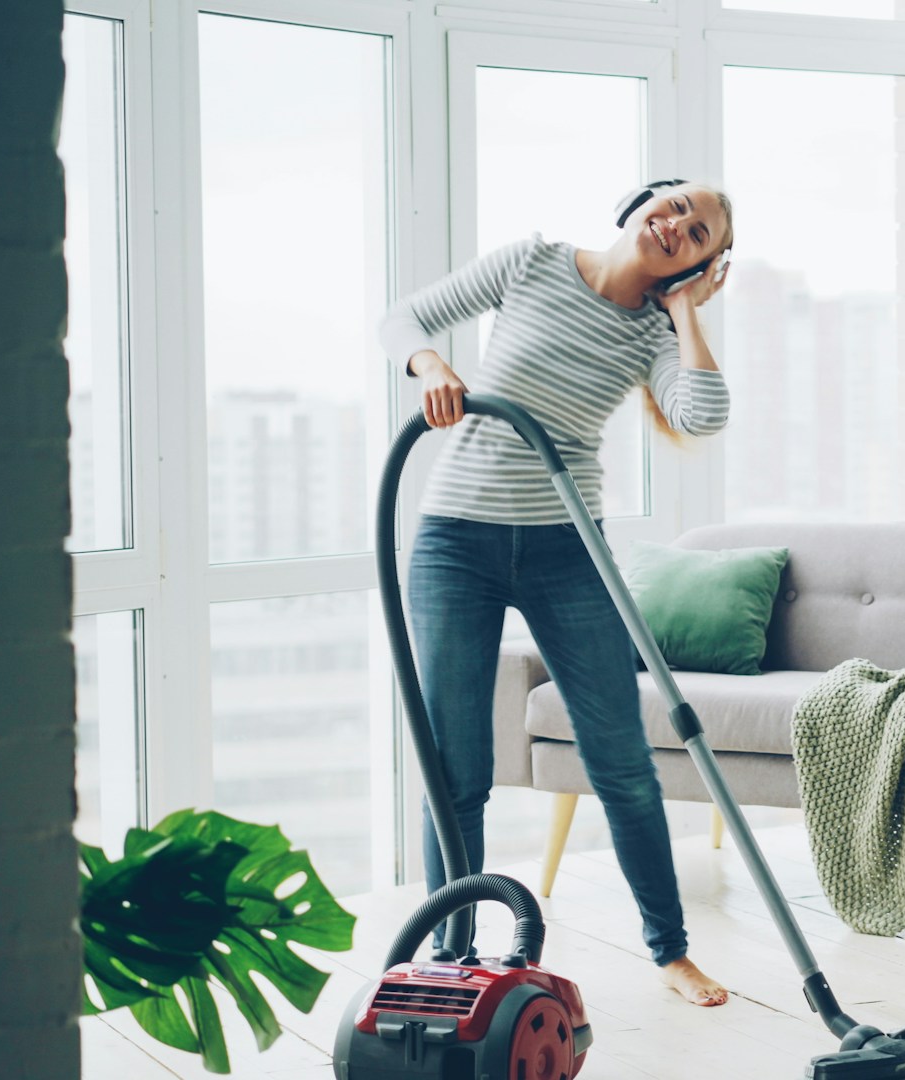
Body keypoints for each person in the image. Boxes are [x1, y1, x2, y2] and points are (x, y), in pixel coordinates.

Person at [376, 180, 735, 1006]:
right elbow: (403, 318)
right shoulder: (529, 264)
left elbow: (704, 412)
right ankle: (453, 964)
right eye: (676, 204)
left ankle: (670, 951)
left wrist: (685, 315)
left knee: (622, 764)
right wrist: (431, 362)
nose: (677, 223)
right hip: (454, 543)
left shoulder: (652, 333)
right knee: (456, 772)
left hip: (568, 551)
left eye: (700, 230)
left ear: (706, 263)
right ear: (640, 201)